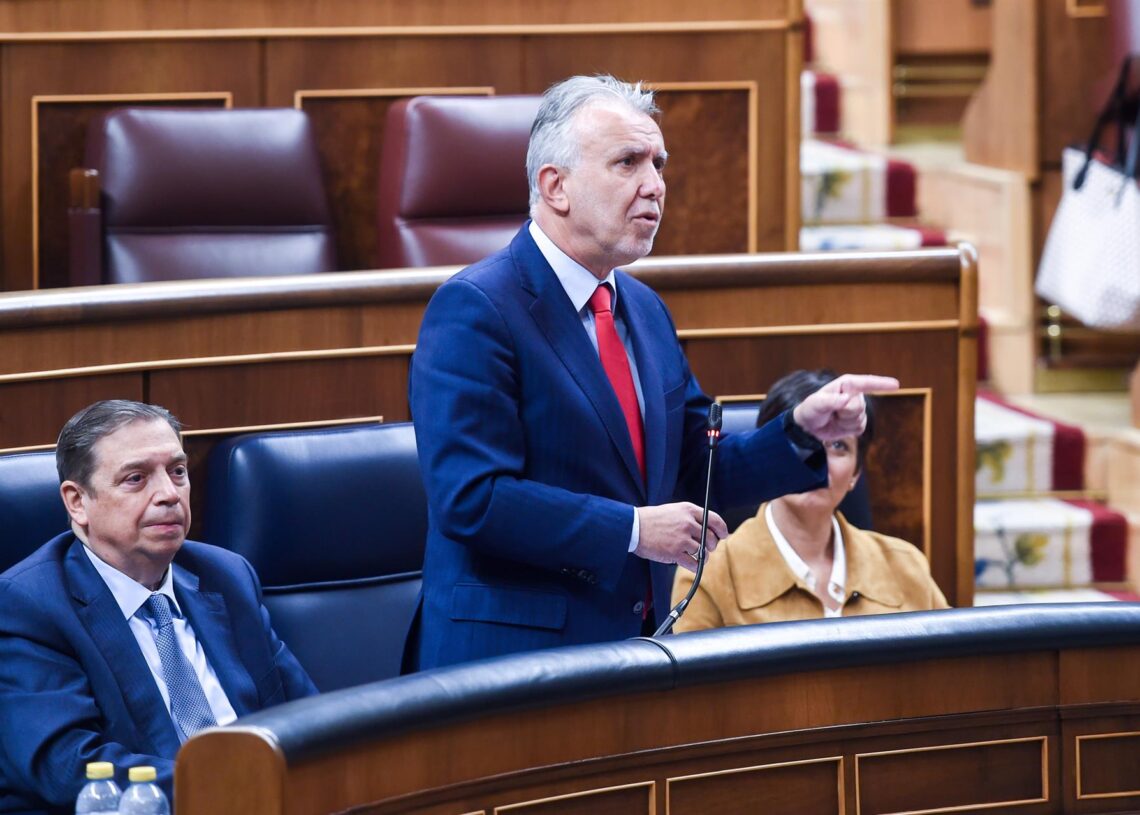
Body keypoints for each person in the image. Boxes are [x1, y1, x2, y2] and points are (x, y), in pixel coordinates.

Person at [408, 74, 898, 669]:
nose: (655, 186)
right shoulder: (477, 308)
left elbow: (696, 465)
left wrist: (799, 431)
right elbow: (473, 500)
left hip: (631, 653)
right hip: (509, 662)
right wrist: (633, 531)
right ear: (555, 186)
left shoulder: (643, 310)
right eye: (628, 163)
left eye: (659, 164)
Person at [0, 401, 317, 813]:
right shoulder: (29, 605)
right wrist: (240, 787)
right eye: (136, 478)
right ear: (77, 502)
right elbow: (71, 768)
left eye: (178, 471)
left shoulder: (226, 576)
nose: (168, 494)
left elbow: (307, 716)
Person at [671, 370, 949, 632]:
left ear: (856, 473)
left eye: (838, 445)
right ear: (766, 452)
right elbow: (695, 685)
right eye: (806, 443)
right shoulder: (708, 572)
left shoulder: (906, 565)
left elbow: (953, 671)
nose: (818, 461)